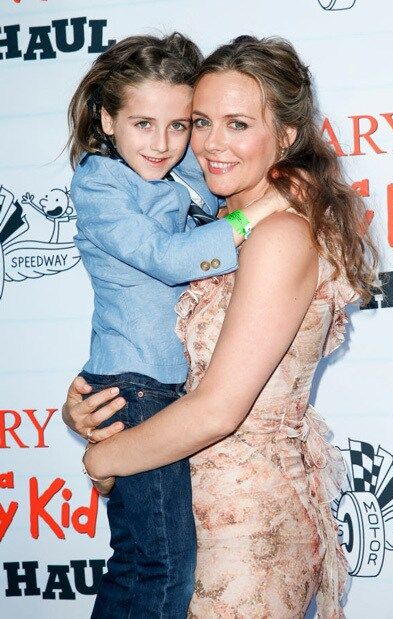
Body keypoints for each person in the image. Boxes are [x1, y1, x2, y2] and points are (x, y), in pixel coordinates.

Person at [65, 35, 377, 618]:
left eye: (237, 124)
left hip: (240, 527)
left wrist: (103, 459)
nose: (206, 144)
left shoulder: (276, 232)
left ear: (286, 135)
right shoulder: (217, 220)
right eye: (201, 122)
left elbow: (218, 409)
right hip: (187, 493)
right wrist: (92, 401)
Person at [64, 32, 284, 619]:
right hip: (137, 387)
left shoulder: (182, 164)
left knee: (157, 562)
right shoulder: (100, 181)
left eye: (180, 125)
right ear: (107, 119)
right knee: (156, 566)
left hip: (166, 392)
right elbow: (166, 258)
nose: (164, 143)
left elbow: (240, 138)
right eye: (142, 124)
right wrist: (255, 217)